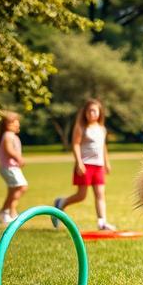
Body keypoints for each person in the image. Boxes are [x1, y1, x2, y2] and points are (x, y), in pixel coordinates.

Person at [53, 98, 115, 230]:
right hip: (85, 165)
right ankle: (61, 202)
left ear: (100, 113)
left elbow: (103, 146)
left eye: (95, 111)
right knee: (81, 196)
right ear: (85, 113)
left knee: (100, 194)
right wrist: (79, 162)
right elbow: (75, 144)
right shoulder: (81, 127)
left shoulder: (101, 128)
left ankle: (102, 223)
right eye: (89, 111)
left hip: (98, 166)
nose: (92, 113)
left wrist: (106, 162)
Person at [0, 111, 27, 226]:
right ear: (6, 125)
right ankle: (7, 211)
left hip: (10, 167)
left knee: (13, 190)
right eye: (13, 122)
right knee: (22, 187)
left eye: (17, 121)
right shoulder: (8, 135)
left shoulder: (9, 135)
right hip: (10, 168)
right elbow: (9, 150)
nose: (17, 123)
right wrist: (19, 158)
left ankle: (7, 212)